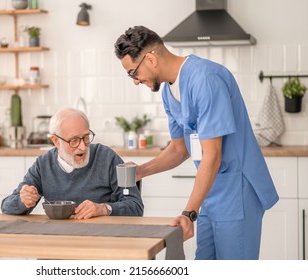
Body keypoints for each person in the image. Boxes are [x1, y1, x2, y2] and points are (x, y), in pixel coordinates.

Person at [114, 26, 279, 260]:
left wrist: (189, 212)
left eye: (133, 73)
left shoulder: (205, 78)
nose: (135, 81)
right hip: (209, 190)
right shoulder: (168, 92)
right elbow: (179, 149)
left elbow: (212, 154)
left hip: (236, 190)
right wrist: (140, 171)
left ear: (150, 59)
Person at [1, 108, 144, 219]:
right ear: (56, 141)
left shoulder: (107, 158)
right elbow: (6, 206)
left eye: (86, 137)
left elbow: (135, 206)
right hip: (59, 243)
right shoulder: (43, 165)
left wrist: (104, 208)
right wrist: (22, 201)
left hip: (101, 241)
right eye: (74, 140)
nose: (83, 146)